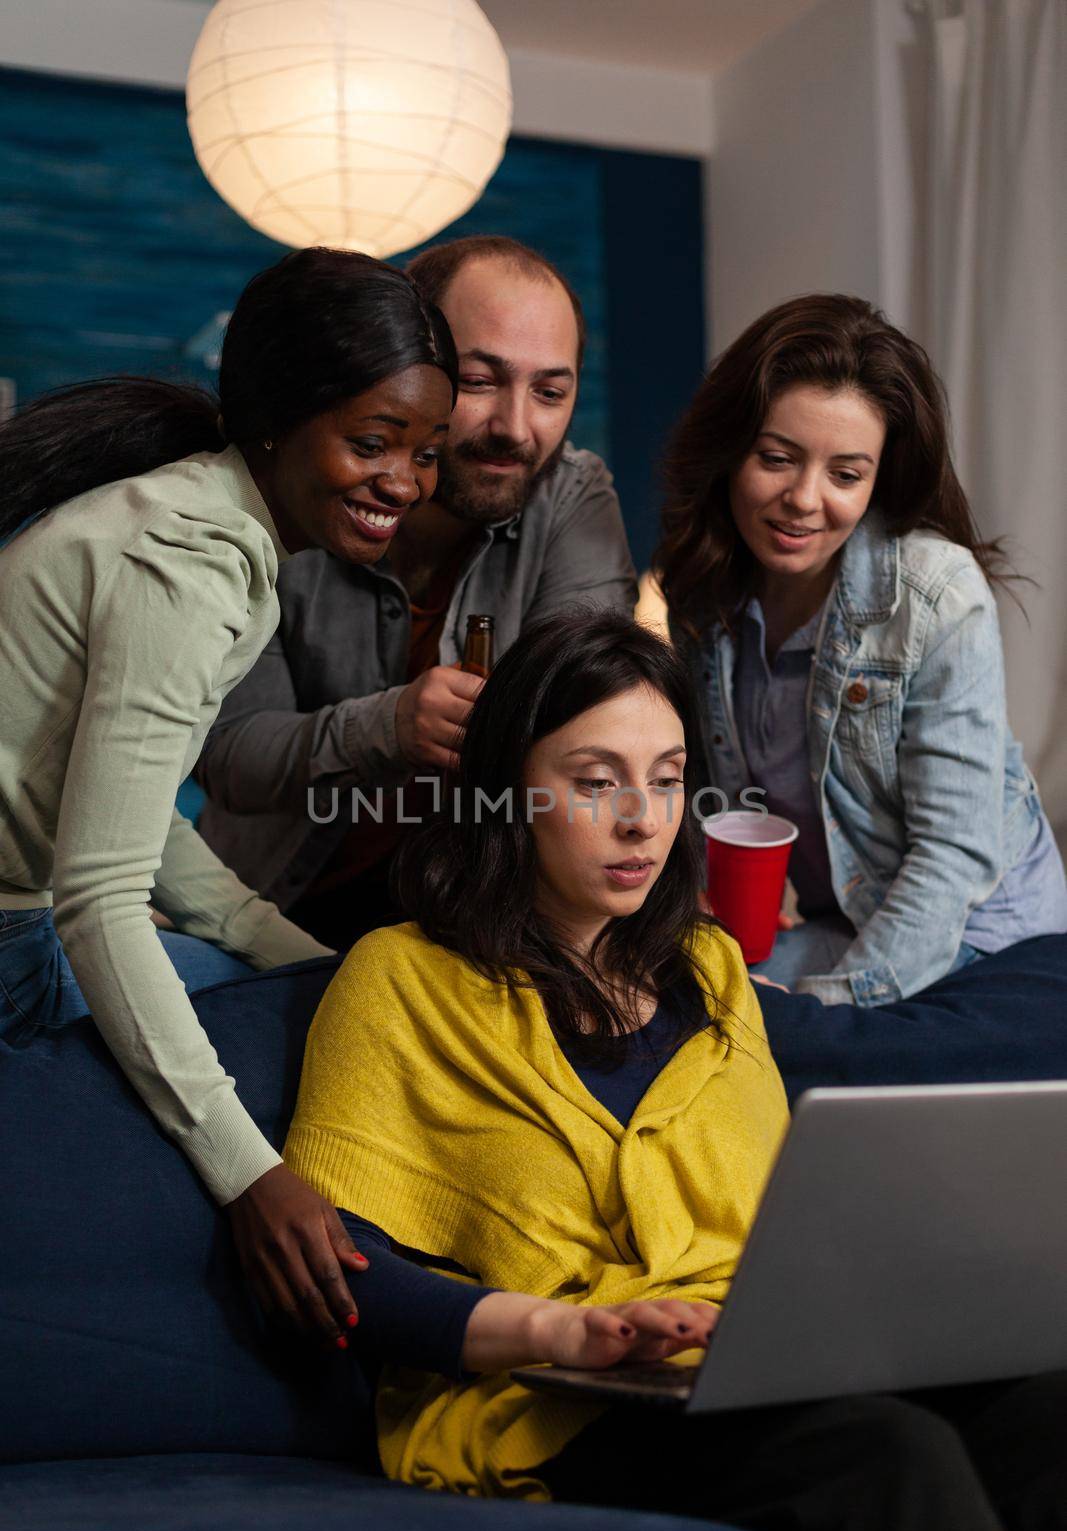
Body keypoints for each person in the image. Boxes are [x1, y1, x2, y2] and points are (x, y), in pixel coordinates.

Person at [283, 613, 1067, 1531]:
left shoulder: (707, 969)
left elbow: (785, 1228)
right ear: (508, 790)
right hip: (559, 1396)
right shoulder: (397, 980)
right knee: (878, 1451)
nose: (643, 819)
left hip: (758, 1357)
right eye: (594, 779)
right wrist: (554, 1332)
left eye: (664, 778)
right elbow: (342, 1273)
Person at [0, 247, 457, 1343]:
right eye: (370, 441)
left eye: (425, 451)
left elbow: (128, 806)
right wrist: (248, 1173)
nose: (403, 481)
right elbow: (101, 896)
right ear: (272, 421)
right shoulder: (193, 566)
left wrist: (285, 943)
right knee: (335, 1023)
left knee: (347, 985)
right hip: (10, 955)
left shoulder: (189, 524)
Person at [195, 235, 638, 951]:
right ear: (408, 361)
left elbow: (586, 720)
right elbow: (227, 758)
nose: (516, 428)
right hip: (267, 905)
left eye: (549, 392)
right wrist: (389, 726)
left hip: (479, 916)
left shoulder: (573, 495)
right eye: (481, 380)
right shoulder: (283, 494)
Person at [655, 293, 1067, 1005]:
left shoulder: (936, 592)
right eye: (776, 458)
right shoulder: (701, 591)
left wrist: (828, 1006)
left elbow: (953, 857)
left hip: (985, 941)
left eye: (844, 474)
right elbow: (715, 799)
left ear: (878, 478)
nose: (803, 500)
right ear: (729, 453)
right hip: (831, 922)